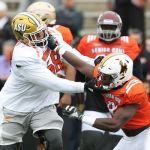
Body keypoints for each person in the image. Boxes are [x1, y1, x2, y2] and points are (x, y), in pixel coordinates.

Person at [0, 12, 92, 150]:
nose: (42, 36)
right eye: (36, 35)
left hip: (43, 104)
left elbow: (75, 56)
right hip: (15, 107)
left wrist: (99, 66)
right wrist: (86, 86)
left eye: (42, 32)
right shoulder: (23, 55)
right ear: (23, 38)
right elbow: (53, 82)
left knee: (55, 142)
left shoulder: (52, 34)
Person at [75, 10, 143, 150]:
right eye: (105, 27)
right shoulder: (87, 42)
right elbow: (80, 74)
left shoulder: (129, 44)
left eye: (111, 27)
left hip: (120, 104)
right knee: (89, 143)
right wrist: (79, 99)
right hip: (95, 101)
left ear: (119, 27)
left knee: (115, 145)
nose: (108, 31)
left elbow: (137, 76)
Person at [62, 53, 150, 150]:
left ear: (120, 77)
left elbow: (114, 124)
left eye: (106, 77)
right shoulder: (110, 78)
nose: (100, 79)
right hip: (129, 137)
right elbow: (81, 66)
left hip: (146, 135)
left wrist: (80, 115)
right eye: (102, 75)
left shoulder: (134, 90)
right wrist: (58, 48)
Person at [27, 2, 81, 150]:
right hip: (39, 89)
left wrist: (67, 93)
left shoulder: (60, 32)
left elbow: (69, 64)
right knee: (41, 134)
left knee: (64, 132)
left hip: (59, 86)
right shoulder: (27, 35)